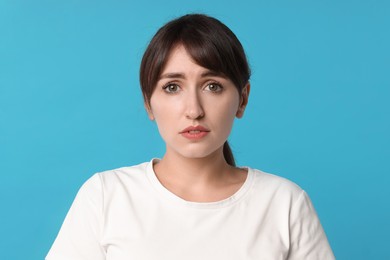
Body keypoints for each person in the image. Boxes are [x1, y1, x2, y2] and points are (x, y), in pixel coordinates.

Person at [46, 14, 335, 259]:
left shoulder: (284, 203)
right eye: (172, 87)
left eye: (213, 86)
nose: (194, 110)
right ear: (148, 102)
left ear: (243, 99)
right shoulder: (106, 196)